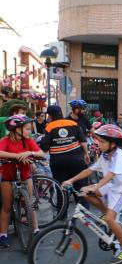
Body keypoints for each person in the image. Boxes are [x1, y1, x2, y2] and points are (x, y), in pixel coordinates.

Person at [61, 124, 122, 264]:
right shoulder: (105, 155)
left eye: (102, 142)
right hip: (112, 187)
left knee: (109, 218)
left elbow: (112, 174)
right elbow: (90, 170)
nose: (98, 144)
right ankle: (106, 214)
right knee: (85, 192)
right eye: (98, 141)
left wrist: (97, 186)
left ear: (112, 144)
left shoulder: (119, 155)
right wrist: (71, 180)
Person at [0, 115, 45, 248]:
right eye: (26, 129)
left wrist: (29, 152)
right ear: (16, 129)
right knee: (7, 207)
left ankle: (36, 230)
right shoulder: (5, 140)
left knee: (29, 204)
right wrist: (16, 156)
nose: (29, 132)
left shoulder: (29, 141)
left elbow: (41, 153)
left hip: (25, 176)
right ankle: (2, 235)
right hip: (8, 177)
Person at [39, 106, 90, 200]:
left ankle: (62, 213)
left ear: (50, 115)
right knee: (80, 188)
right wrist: (86, 154)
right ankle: (83, 212)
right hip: (76, 159)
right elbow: (83, 141)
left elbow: (44, 147)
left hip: (58, 161)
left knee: (61, 189)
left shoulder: (49, 127)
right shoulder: (73, 123)